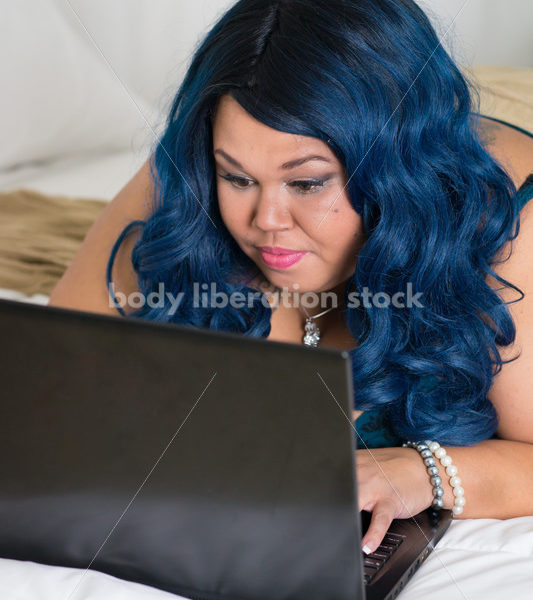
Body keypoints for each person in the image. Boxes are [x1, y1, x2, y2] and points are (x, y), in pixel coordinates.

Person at [48, 0, 533, 556]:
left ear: (398, 173)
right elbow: (52, 386)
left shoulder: (511, 223)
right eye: (238, 178)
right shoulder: (192, 175)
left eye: (306, 183)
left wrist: (432, 470)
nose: (267, 223)